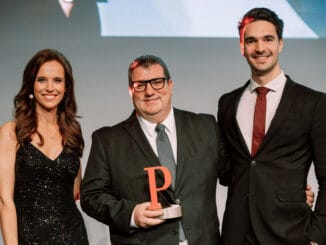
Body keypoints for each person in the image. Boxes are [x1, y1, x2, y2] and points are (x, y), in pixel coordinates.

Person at [80, 55, 221, 245]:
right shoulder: (108, 140)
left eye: (157, 82)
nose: (149, 91)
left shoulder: (205, 126)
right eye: (140, 85)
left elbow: (235, 174)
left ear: (170, 85)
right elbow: (91, 197)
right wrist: (130, 214)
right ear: (131, 90)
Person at [217, 7, 326, 245]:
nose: (260, 48)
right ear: (242, 47)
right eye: (251, 41)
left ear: (280, 44)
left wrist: (317, 236)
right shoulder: (227, 103)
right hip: (237, 234)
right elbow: (227, 172)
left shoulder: (313, 102)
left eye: (268, 39)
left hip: (291, 232)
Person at [0, 49, 89, 244]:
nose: (50, 87)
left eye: (57, 80)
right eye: (41, 80)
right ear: (31, 86)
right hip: (30, 238)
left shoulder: (72, 133)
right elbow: (5, 201)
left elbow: (75, 190)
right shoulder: (11, 132)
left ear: (66, 87)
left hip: (73, 237)